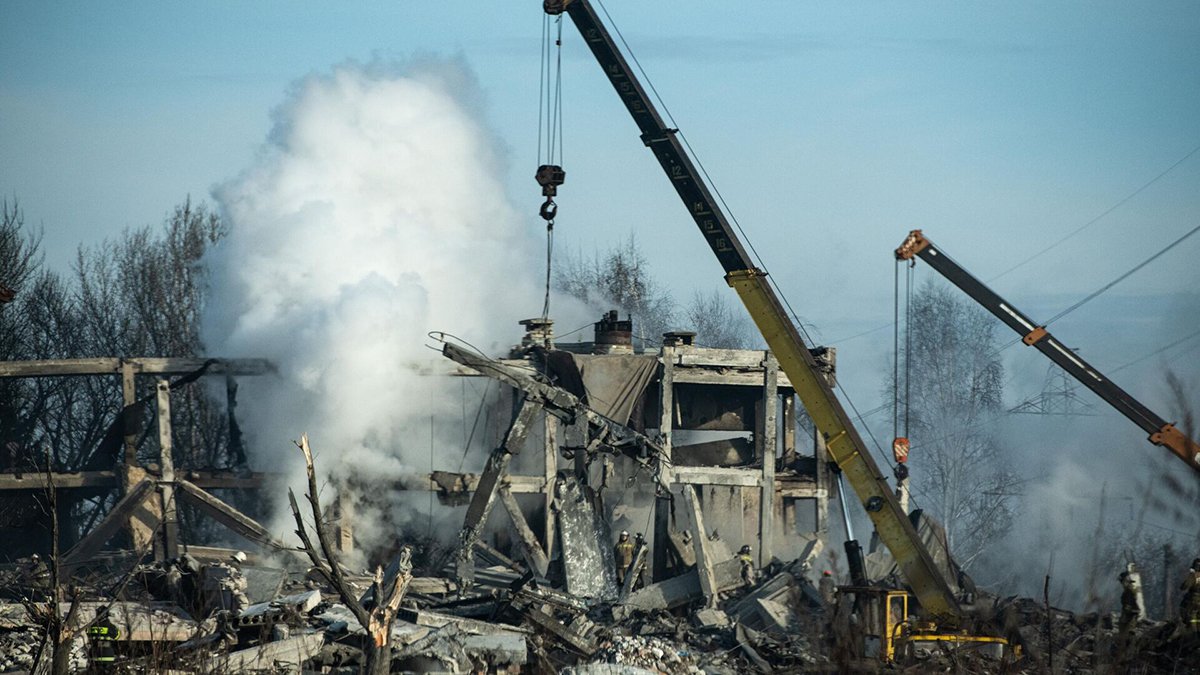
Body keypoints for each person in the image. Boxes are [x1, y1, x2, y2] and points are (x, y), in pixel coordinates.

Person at [1180, 558, 1200, 633]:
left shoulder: (1194, 576)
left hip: (1193, 601)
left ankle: (1193, 635)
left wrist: (1191, 575)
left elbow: (1184, 586)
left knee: (1190, 618)